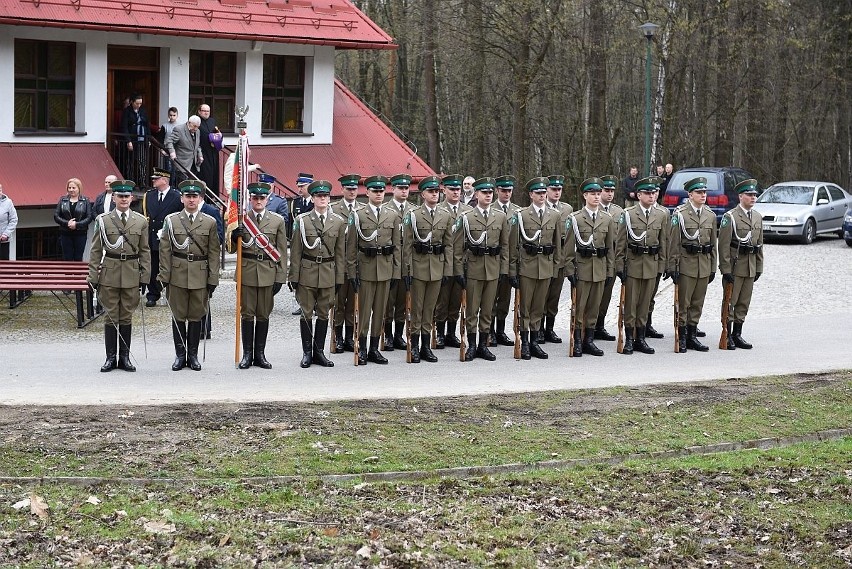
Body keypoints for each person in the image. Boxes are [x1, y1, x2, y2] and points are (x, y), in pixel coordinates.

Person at [87, 180, 151, 372]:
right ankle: (110, 358)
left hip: (131, 272)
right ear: (113, 197)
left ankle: (124, 358)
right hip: (110, 272)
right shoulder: (103, 220)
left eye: (126, 196)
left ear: (132, 198)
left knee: (126, 316)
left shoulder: (140, 221)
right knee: (110, 316)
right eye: (120, 196)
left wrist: (145, 277)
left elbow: (145, 251)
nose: (123, 199)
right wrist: (93, 276)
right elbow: (96, 250)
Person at [158, 180, 221, 372]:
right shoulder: (171, 220)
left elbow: (213, 252)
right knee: (178, 315)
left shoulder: (209, 222)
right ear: (182, 198)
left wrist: (213, 278)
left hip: (200, 274)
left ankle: (192, 355)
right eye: (188, 196)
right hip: (177, 273)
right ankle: (180, 355)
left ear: (201, 198)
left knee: (195, 315)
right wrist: (164, 277)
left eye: (195, 196)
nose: (191, 200)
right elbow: (165, 250)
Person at [289, 180, 347, 368]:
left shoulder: (337, 222)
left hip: (328, 273)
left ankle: (319, 352)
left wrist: (339, 278)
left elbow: (340, 253)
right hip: (307, 271)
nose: (323, 199)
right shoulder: (302, 221)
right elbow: (296, 251)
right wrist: (294, 277)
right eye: (319, 196)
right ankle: (307, 353)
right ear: (313, 198)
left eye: (326, 196)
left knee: (323, 313)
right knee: (306, 313)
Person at [230, 181, 287, 369]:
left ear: (267, 198)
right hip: (246, 271)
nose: (259, 201)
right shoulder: (241, 219)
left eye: (262, 198)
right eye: (255, 198)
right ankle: (247, 354)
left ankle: (260, 354)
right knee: (247, 313)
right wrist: (233, 237)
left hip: (267, 271)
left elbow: (281, 252)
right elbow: (230, 249)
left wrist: (280, 277)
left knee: (263, 314)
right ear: (250, 199)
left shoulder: (277, 220)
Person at [454, 177, 510, 361]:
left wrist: (503, 270)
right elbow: (458, 248)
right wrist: (459, 272)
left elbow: (504, 246)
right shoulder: (467, 218)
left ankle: (483, 346)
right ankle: (471, 346)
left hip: (492, 269)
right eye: (484, 192)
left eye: (490, 193)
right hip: (474, 269)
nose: (488, 195)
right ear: (476, 194)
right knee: (472, 310)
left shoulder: (500, 217)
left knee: (487, 309)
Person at [347, 175, 400, 365]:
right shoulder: (358, 215)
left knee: (380, 311)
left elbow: (396, 247)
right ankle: (361, 348)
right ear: (367, 192)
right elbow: (351, 247)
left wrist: (396, 272)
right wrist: (352, 273)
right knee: (364, 312)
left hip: (385, 269)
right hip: (366, 269)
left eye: (381, 191)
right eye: (375, 191)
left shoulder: (392, 215)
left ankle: (374, 349)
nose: (378, 194)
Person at [401, 175, 454, 363]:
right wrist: (407, 271)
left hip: (437, 268)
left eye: (436, 192)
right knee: (417, 309)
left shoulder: (445, 216)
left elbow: (448, 245)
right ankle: (414, 346)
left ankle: (425, 346)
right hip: (418, 267)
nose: (435, 194)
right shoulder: (413, 216)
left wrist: (447, 270)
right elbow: (406, 246)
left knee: (430, 309)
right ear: (423, 194)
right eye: (431, 191)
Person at [508, 177, 562, 360]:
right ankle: (524, 342)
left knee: (538, 307)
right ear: (531, 195)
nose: (541, 196)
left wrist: (555, 269)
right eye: (538, 193)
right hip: (527, 267)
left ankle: (534, 342)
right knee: (526, 307)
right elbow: (513, 245)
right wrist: (513, 271)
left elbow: (557, 246)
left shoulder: (554, 215)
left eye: (543, 193)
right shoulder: (521, 216)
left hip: (545, 267)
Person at [614, 177, 668, 354]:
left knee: (645, 304)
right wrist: (619, 267)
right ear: (639, 195)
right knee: (631, 304)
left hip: (651, 265)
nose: (652, 196)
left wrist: (661, 267)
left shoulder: (661, 215)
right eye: (647, 193)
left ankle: (641, 338)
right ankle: (629, 339)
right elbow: (621, 243)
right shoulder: (628, 214)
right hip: (633, 264)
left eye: (653, 193)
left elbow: (663, 243)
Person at [564, 177, 615, 357]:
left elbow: (610, 249)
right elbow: (568, 249)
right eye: (592, 193)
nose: (596, 197)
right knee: (579, 307)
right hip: (583, 269)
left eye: (598, 193)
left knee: (594, 307)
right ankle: (578, 340)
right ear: (585, 195)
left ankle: (589, 340)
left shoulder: (607, 219)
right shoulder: (575, 219)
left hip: (599, 269)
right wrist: (570, 270)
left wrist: (610, 270)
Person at [667, 176, 718, 353]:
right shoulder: (680, 215)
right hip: (686, 264)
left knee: (697, 303)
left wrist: (713, 267)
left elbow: (713, 245)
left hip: (703, 265)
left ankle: (692, 335)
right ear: (690, 194)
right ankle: (681, 336)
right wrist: (672, 266)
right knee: (684, 303)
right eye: (699, 192)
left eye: (704, 192)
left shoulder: (710, 215)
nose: (703, 195)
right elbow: (673, 243)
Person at [718, 179, 764, 350]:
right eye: (749, 195)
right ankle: (727, 334)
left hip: (750, 266)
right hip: (735, 266)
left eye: (754, 195)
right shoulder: (730, 217)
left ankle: (738, 334)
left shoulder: (758, 217)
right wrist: (725, 269)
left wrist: (759, 267)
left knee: (744, 302)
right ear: (740, 196)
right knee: (730, 301)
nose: (753, 198)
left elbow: (759, 245)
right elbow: (723, 246)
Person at [434, 174, 472, 349]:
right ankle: (439, 334)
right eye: (452, 189)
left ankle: (451, 333)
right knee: (442, 300)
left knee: (456, 300)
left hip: (463, 262)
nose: (456, 192)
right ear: (444, 190)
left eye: (458, 189)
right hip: (442, 262)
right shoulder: (438, 209)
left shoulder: (469, 211)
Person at [331, 173, 364, 352]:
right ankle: (338, 336)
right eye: (349, 189)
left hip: (357, 263)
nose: (352, 191)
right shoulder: (333, 209)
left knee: (352, 303)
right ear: (342, 189)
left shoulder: (363, 209)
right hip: (339, 263)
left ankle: (350, 338)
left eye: (354, 188)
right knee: (339, 302)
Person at [540, 174, 574, 344]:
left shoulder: (567, 209)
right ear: (546, 190)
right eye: (553, 189)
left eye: (559, 189)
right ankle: (538, 328)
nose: (556, 192)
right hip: (545, 255)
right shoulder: (540, 207)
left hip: (561, 257)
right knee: (542, 295)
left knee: (554, 295)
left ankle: (549, 329)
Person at [142, 169, 182, 307]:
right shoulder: (149, 195)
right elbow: (146, 215)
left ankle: (170, 292)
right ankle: (152, 294)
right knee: (152, 266)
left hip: (169, 237)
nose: (153, 181)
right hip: (153, 236)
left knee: (168, 265)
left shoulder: (177, 196)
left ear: (164, 180)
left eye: (156, 179)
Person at [489, 175, 522, 346]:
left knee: (504, 299)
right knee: (490, 299)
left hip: (511, 261)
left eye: (509, 190)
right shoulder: (490, 208)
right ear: (497, 191)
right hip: (493, 260)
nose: (507, 193)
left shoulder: (518, 211)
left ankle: (501, 331)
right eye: (503, 190)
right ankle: (491, 332)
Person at [382, 173, 413, 351]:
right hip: (390, 259)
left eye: (406, 188)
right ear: (393, 189)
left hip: (407, 259)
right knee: (388, 301)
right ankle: (387, 335)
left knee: (403, 300)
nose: (403, 191)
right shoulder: (386, 209)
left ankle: (399, 336)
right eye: (400, 188)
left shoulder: (414, 210)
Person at [594, 175, 625, 341]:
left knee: (606, 293)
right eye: (607, 190)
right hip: (595, 256)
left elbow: (622, 240)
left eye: (612, 190)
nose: (610, 193)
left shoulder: (619, 212)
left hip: (611, 257)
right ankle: (587, 326)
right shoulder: (593, 208)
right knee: (593, 295)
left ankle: (600, 325)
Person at [289, 172, 315, 314]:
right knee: (298, 271)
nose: (300, 189)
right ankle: (301, 302)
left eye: (303, 186)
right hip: (299, 241)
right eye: (298, 186)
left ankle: (315, 304)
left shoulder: (315, 201)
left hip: (313, 242)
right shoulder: (295, 203)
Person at [54, 178, 93, 261]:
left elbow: (89, 217)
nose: (71, 190)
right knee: (67, 257)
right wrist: (67, 223)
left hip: (80, 234)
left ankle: (77, 274)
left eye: (73, 188)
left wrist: (76, 224)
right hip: (65, 233)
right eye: (69, 188)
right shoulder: (62, 200)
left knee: (78, 257)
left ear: (79, 188)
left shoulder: (85, 201)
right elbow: (56, 216)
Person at [120, 94, 151, 183]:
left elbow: (147, 125)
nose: (139, 105)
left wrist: (148, 138)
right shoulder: (127, 111)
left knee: (142, 161)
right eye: (137, 103)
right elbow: (124, 127)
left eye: (140, 103)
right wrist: (128, 141)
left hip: (142, 139)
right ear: (132, 102)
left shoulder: (143, 111)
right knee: (130, 162)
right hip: (132, 140)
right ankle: (130, 181)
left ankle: (143, 182)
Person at [165, 115, 203, 186]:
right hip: (181, 164)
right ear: (189, 123)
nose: (196, 128)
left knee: (191, 188)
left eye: (198, 126)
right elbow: (169, 141)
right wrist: (172, 152)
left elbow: (198, 146)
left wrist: (200, 155)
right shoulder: (179, 129)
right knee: (181, 187)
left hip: (193, 164)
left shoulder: (198, 131)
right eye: (194, 126)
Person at [197, 104, 221, 193]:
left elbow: (217, 132)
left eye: (208, 111)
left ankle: (213, 196)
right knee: (205, 174)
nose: (206, 113)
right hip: (202, 152)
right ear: (199, 111)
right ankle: (205, 196)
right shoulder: (197, 121)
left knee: (214, 174)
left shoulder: (212, 121)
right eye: (204, 111)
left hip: (213, 152)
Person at [156, 107, 180, 179]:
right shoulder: (164, 126)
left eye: (174, 115)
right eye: (170, 115)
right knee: (167, 169)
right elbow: (161, 139)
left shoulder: (180, 126)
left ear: (177, 115)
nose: (172, 117)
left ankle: (174, 186)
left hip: (177, 151)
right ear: (168, 115)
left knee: (176, 169)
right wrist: (162, 149)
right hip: (166, 150)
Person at [0, 183, 19, 261]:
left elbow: (14, 219)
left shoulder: (8, 202)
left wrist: (5, 234)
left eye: (0, 189)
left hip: (3, 241)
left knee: (3, 265)